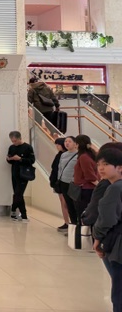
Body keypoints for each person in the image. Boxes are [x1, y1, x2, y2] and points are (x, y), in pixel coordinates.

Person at [92, 143, 122, 312]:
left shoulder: (115, 189)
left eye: (106, 164)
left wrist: (97, 239)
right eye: (98, 164)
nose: (101, 168)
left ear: (119, 168)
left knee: (119, 291)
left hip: (117, 246)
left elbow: (107, 218)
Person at [6, 130, 35, 222]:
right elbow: (9, 160)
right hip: (14, 173)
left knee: (18, 194)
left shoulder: (28, 147)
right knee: (18, 194)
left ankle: (15, 210)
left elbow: (32, 160)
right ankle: (22, 215)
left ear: (19, 138)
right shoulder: (11, 147)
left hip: (23, 174)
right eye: (12, 141)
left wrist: (20, 159)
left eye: (15, 141)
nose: (14, 143)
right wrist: (9, 159)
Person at [73, 134, 99, 219]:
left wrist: (99, 186)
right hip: (87, 189)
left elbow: (90, 176)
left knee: (83, 214)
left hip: (85, 190)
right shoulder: (89, 155)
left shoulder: (84, 157)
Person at [49, 137, 71, 231]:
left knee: (65, 203)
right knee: (63, 202)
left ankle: (69, 222)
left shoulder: (65, 155)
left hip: (64, 181)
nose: (57, 146)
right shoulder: (59, 155)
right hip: (58, 181)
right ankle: (66, 222)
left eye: (58, 144)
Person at [58, 136, 80, 224]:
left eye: (69, 141)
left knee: (75, 205)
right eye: (65, 141)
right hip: (63, 182)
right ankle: (73, 224)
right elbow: (60, 168)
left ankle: (78, 224)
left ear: (75, 144)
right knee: (68, 204)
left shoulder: (79, 155)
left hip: (73, 183)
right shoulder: (63, 154)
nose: (67, 143)